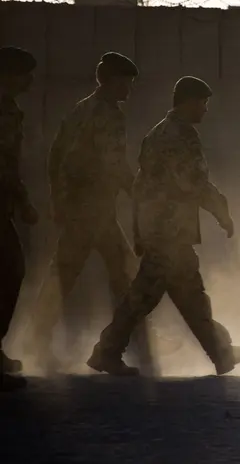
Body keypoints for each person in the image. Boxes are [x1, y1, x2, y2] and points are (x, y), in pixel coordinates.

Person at [86, 76, 240, 376]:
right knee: (143, 297)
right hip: (168, 232)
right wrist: (221, 211)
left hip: (162, 230)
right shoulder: (180, 135)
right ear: (188, 102)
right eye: (202, 103)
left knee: (191, 298)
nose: (205, 109)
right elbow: (194, 182)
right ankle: (106, 352)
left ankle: (221, 354)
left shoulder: (157, 134)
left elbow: (141, 185)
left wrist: (140, 229)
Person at [30, 52, 150, 372]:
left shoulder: (81, 109)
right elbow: (113, 163)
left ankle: (40, 340)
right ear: (110, 81)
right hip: (93, 210)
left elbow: (56, 155)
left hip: (83, 208)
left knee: (70, 275)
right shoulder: (109, 114)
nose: (129, 89)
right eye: (125, 82)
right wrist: (140, 191)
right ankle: (121, 344)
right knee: (122, 274)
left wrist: (58, 200)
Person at [0, 46, 38, 392]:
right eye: (24, 75)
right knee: (9, 270)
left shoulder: (11, 111)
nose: (29, 82)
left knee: (11, 271)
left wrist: (21, 201)